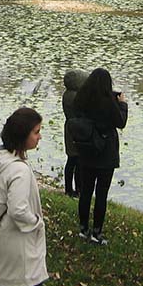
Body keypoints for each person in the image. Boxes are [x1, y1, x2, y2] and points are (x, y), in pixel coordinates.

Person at [0, 107, 48, 286]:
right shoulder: (19, 171)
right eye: (36, 132)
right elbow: (18, 209)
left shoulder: (3, 162)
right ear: (22, 135)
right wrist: (36, 222)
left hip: (6, 239)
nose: (39, 137)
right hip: (20, 244)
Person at [73, 67, 128, 245]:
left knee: (86, 192)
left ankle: (83, 228)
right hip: (105, 154)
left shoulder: (81, 99)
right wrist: (122, 104)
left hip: (87, 151)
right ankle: (97, 232)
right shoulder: (108, 103)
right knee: (101, 194)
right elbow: (121, 122)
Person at [61, 69, 88, 198]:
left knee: (72, 160)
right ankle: (77, 189)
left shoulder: (68, 94)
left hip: (70, 129)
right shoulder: (75, 96)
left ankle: (70, 188)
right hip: (76, 131)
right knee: (76, 161)